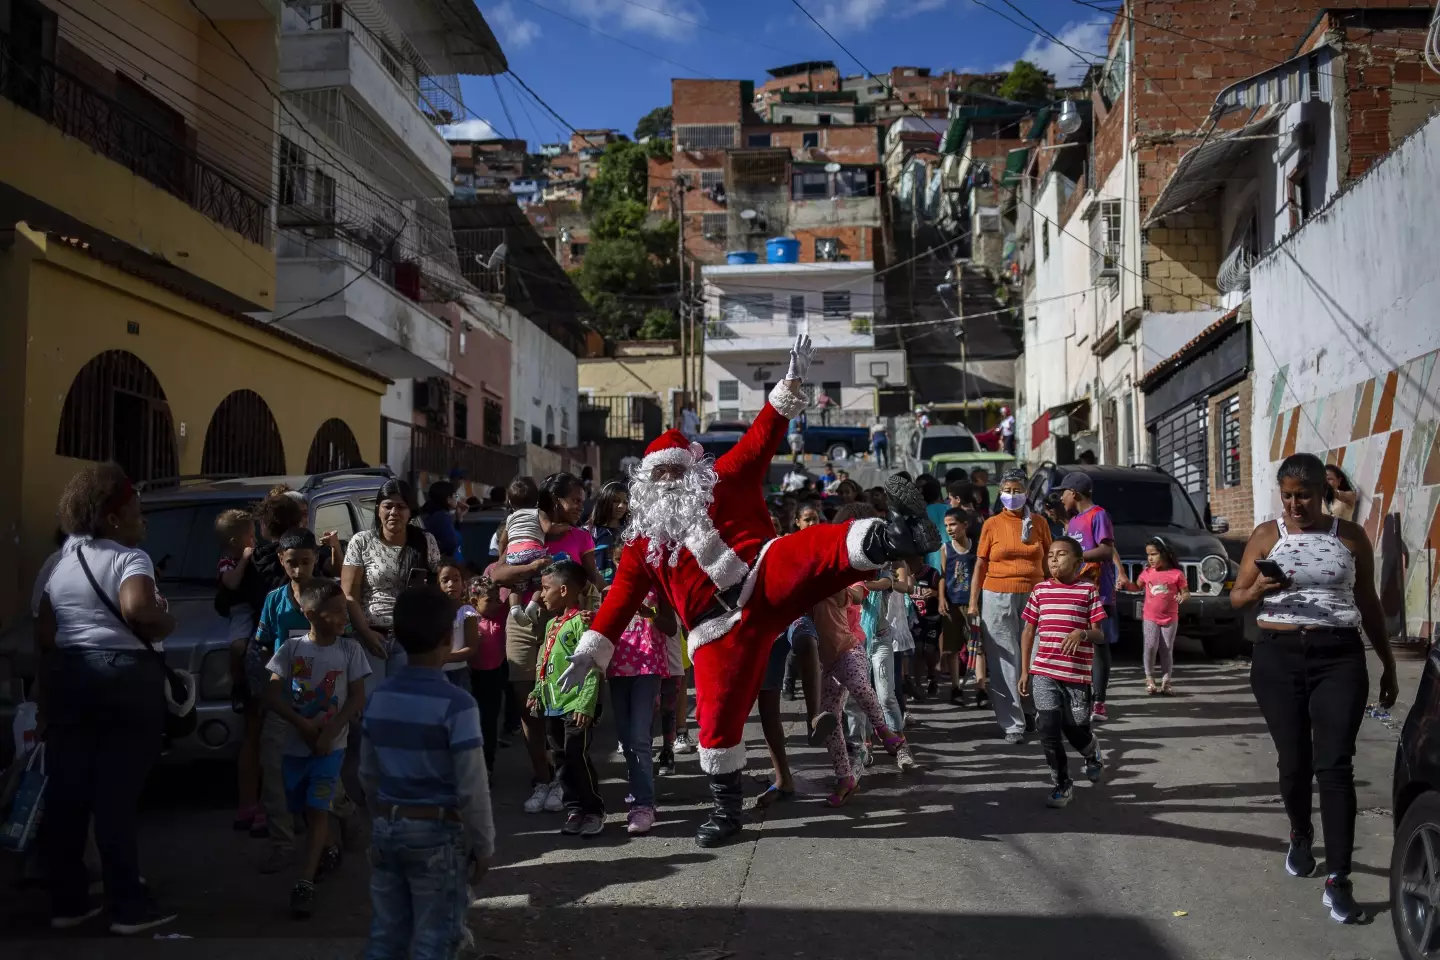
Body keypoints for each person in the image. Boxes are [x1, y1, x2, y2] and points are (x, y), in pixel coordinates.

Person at [558, 335, 939, 847]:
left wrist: (792, 384)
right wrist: (591, 652)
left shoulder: (725, 480)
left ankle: (895, 535)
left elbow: (763, 436)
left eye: (676, 469)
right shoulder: (639, 545)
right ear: (645, 482)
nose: (669, 480)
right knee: (716, 717)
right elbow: (619, 601)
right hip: (714, 632)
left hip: (759, 579)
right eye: (660, 473)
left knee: (807, 550)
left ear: (692, 469)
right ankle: (725, 811)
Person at [1229, 452, 1398, 925]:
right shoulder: (1267, 535)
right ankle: (1300, 835)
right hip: (1277, 660)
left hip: (1339, 657)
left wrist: (1386, 662)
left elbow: (1367, 600)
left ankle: (1339, 879)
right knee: (1294, 762)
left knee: (1336, 767)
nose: (1294, 505)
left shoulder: (1350, 536)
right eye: (1286, 496)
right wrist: (1260, 586)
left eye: (1302, 495)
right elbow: (1236, 596)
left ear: (1322, 493)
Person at [36, 463, 179, 935]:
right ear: (115, 518)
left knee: (68, 793)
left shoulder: (59, 561)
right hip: (125, 680)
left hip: (68, 676)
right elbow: (137, 608)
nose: (143, 523)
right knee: (115, 795)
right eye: (138, 514)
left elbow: (46, 630)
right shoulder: (129, 558)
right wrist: (165, 618)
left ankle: (68, 903)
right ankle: (128, 907)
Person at [360, 584, 494, 960]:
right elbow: (472, 785)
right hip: (437, 834)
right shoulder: (458, 704)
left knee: (387, 936)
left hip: (388, 827)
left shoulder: (379, 698)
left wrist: (383, 819)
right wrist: (483, 844)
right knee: (435, 940)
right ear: (445, 639)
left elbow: (368, 774)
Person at [489, 472, 600, 816]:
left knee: (566, 707)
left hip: (567, 630)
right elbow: (496, 574)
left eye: (583, 500)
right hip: (523, 624)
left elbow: (593, 581)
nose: (581, 506)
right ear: (555, 501)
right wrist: (533, 569)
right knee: (528, 709)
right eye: (575, 500)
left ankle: (566, 781)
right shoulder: (522, 527)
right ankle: (542, 780)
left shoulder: (581, 537)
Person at [264, 577, 370, 918]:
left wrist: (330, 733)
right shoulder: (292, 649)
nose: (344, 618)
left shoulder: (349, 650)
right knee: (305, 810)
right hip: (296, 748)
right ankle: (330, 848)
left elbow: (356, 697)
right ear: (311, 614)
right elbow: (271, 694)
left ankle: (304, 882)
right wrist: (305, 726)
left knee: (318, 806)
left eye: (345, 610)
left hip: (330, 748)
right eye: (336, 612)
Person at [254, 529, 330, 874]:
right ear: (281, 563)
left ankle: (342, 823)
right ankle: (283, 844)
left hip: (323, 703)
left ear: (316, 558)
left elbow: (341, 645)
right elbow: (264, 643)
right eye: (291, 564)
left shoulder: (329, 596)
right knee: (273, 771)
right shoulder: (274, 601)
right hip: (284, 701)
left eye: (305, 562)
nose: (298, 570)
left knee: (326, 776)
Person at [1018, 537, 1106, 808]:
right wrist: (1025, 671)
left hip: (1076, 675)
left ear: (1078, 562)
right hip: (1043, 670)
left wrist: (1082, 633)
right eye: (1051, 555)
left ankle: (1091, 751)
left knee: (1075, 727)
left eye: (1062, 554)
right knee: (1048, 729)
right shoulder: (1040, 591)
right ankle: (1062, 784)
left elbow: (1100, 635)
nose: (1054, 559)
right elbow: (1028, 631)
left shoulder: (1087, 591)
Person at [968, 469, 1052, 744]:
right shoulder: (991, 524)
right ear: (1000, 493)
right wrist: (973, 603)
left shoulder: (1039, 523)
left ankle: (1033, 712)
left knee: (1036, 655)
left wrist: (1058, 594)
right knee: (1004, 658)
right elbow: (980, 564)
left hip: (1036, 595)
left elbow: (1051, 562)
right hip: (997, 595)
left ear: (1027, 493)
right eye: (1008, 490)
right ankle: (1012, 723)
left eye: (1018, 490)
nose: (1012, 495)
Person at [527, 561, 605, 837]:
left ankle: (593, 810)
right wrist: (538, 691)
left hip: (575, 705)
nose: (541, 594)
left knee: (576, 756)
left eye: (546, 588)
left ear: (563, 589)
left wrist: (585, 703)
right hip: (553, 705)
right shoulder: (551, 625)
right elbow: (543, 663)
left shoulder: (581, 623)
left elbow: (591, 664)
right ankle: (574, 809)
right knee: (560, 759)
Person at [342, 479, 443, 678]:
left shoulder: (425, 541)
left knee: (403, 702)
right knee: (371, 703)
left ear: (410, 511)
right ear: (378, 509)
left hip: (411, 641)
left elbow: (437, 587)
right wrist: (366, 634)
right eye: (388, 506)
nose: (394, 512)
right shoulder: (361, 542)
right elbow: (349, 595)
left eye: (401, 507)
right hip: (370, 638)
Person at [214, 508, 266, 835]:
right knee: (237, 648)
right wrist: (246, 560)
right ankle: (238, 684)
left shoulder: (259, 556)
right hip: (239, 614)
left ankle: (254, 806)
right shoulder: (228, 563)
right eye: (250, 535)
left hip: (249, 614)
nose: (255, 541)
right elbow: (231, 583)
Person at [608, 587, 676, 835]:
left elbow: (672, 628)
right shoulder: (612, 589)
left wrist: (651, 614)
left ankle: (644, 805)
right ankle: (637, 792)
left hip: (648, 667)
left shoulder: (659, 590)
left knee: (639, 738)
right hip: (616, 668)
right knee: (626, 740)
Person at [1060, 472, 1119, 722]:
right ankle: (1078, 698)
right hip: (1075, 592)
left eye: (1063, 492)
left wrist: (1078, 557)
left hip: (1098, 592)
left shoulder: (1099, 515)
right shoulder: (1072, 522)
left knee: (1098, 644)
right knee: (1077, 644)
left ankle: (1100, 702)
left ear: (1074, 493)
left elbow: (1106, 550)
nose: (1061, 497)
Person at [496, 476, 553, 626]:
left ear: (510, 502)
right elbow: (548, 528)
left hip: (513, 554)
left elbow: (502, 541)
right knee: (539, 582)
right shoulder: (538, 513)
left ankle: (515, 608)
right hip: (533, 551)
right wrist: (561, 527)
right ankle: (533, 605)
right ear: (536, 500)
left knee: (517, 586)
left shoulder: (510, 518)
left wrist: (503, 556)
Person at [1137, 537, 1189, 695]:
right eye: (1148, 555)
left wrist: (1182, 597)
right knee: (1150, 646)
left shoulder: (1176, 574)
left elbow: (1186, 593)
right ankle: (1149, 678)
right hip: (1150, 617)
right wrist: (1124, 584)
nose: (1150, 558)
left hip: (1170, 619)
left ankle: (1166, 682)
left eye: (1154, 554)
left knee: (1166, 649)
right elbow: (1135, 587)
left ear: (1164, 554)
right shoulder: (1147, 573)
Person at [939, 507, 980, 706]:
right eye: (946, 525)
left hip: (973, 604)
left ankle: (981, 689)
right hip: (952, 604)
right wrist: (941, 598)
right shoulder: (946, 548)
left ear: (965, 525)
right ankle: (955, 687)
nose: (949, 528)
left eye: (953, 524)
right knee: (952, 649)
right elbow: (942, 576)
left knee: (978, 648)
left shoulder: (976, 547)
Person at [466, 577, 507, 773]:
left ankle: (487, 766)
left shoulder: (500, 616)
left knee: (490, 721)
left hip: (494, 676)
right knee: (474, 721)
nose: (495, 604)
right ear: (474, 602)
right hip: (471, 676)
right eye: (489, 600)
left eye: (496, 599)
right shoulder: (467, 618)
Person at [436, 560, 478, 693]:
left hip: (458, 674)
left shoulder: (466, 612)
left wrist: (446, 658)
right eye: (445, 580)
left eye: (456, 579)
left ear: (463, 584)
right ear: (438, 585)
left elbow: (471, 648)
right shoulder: (432, 614)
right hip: (436, 674)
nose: (451, 584)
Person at [585, 481, 629, 587]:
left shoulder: (630, 532)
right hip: (595, 591)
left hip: (623, 589)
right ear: (604, 501)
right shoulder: (589, 531)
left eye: (625, 502)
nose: (621, 506)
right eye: (616, 501)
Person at [420, 481, 468, 564]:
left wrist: (459, 519)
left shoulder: (430, 514)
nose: (457, 499)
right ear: (448, 499)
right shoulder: (441, 517)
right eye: (455, 496)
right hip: (447, 565)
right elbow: (450, 545)